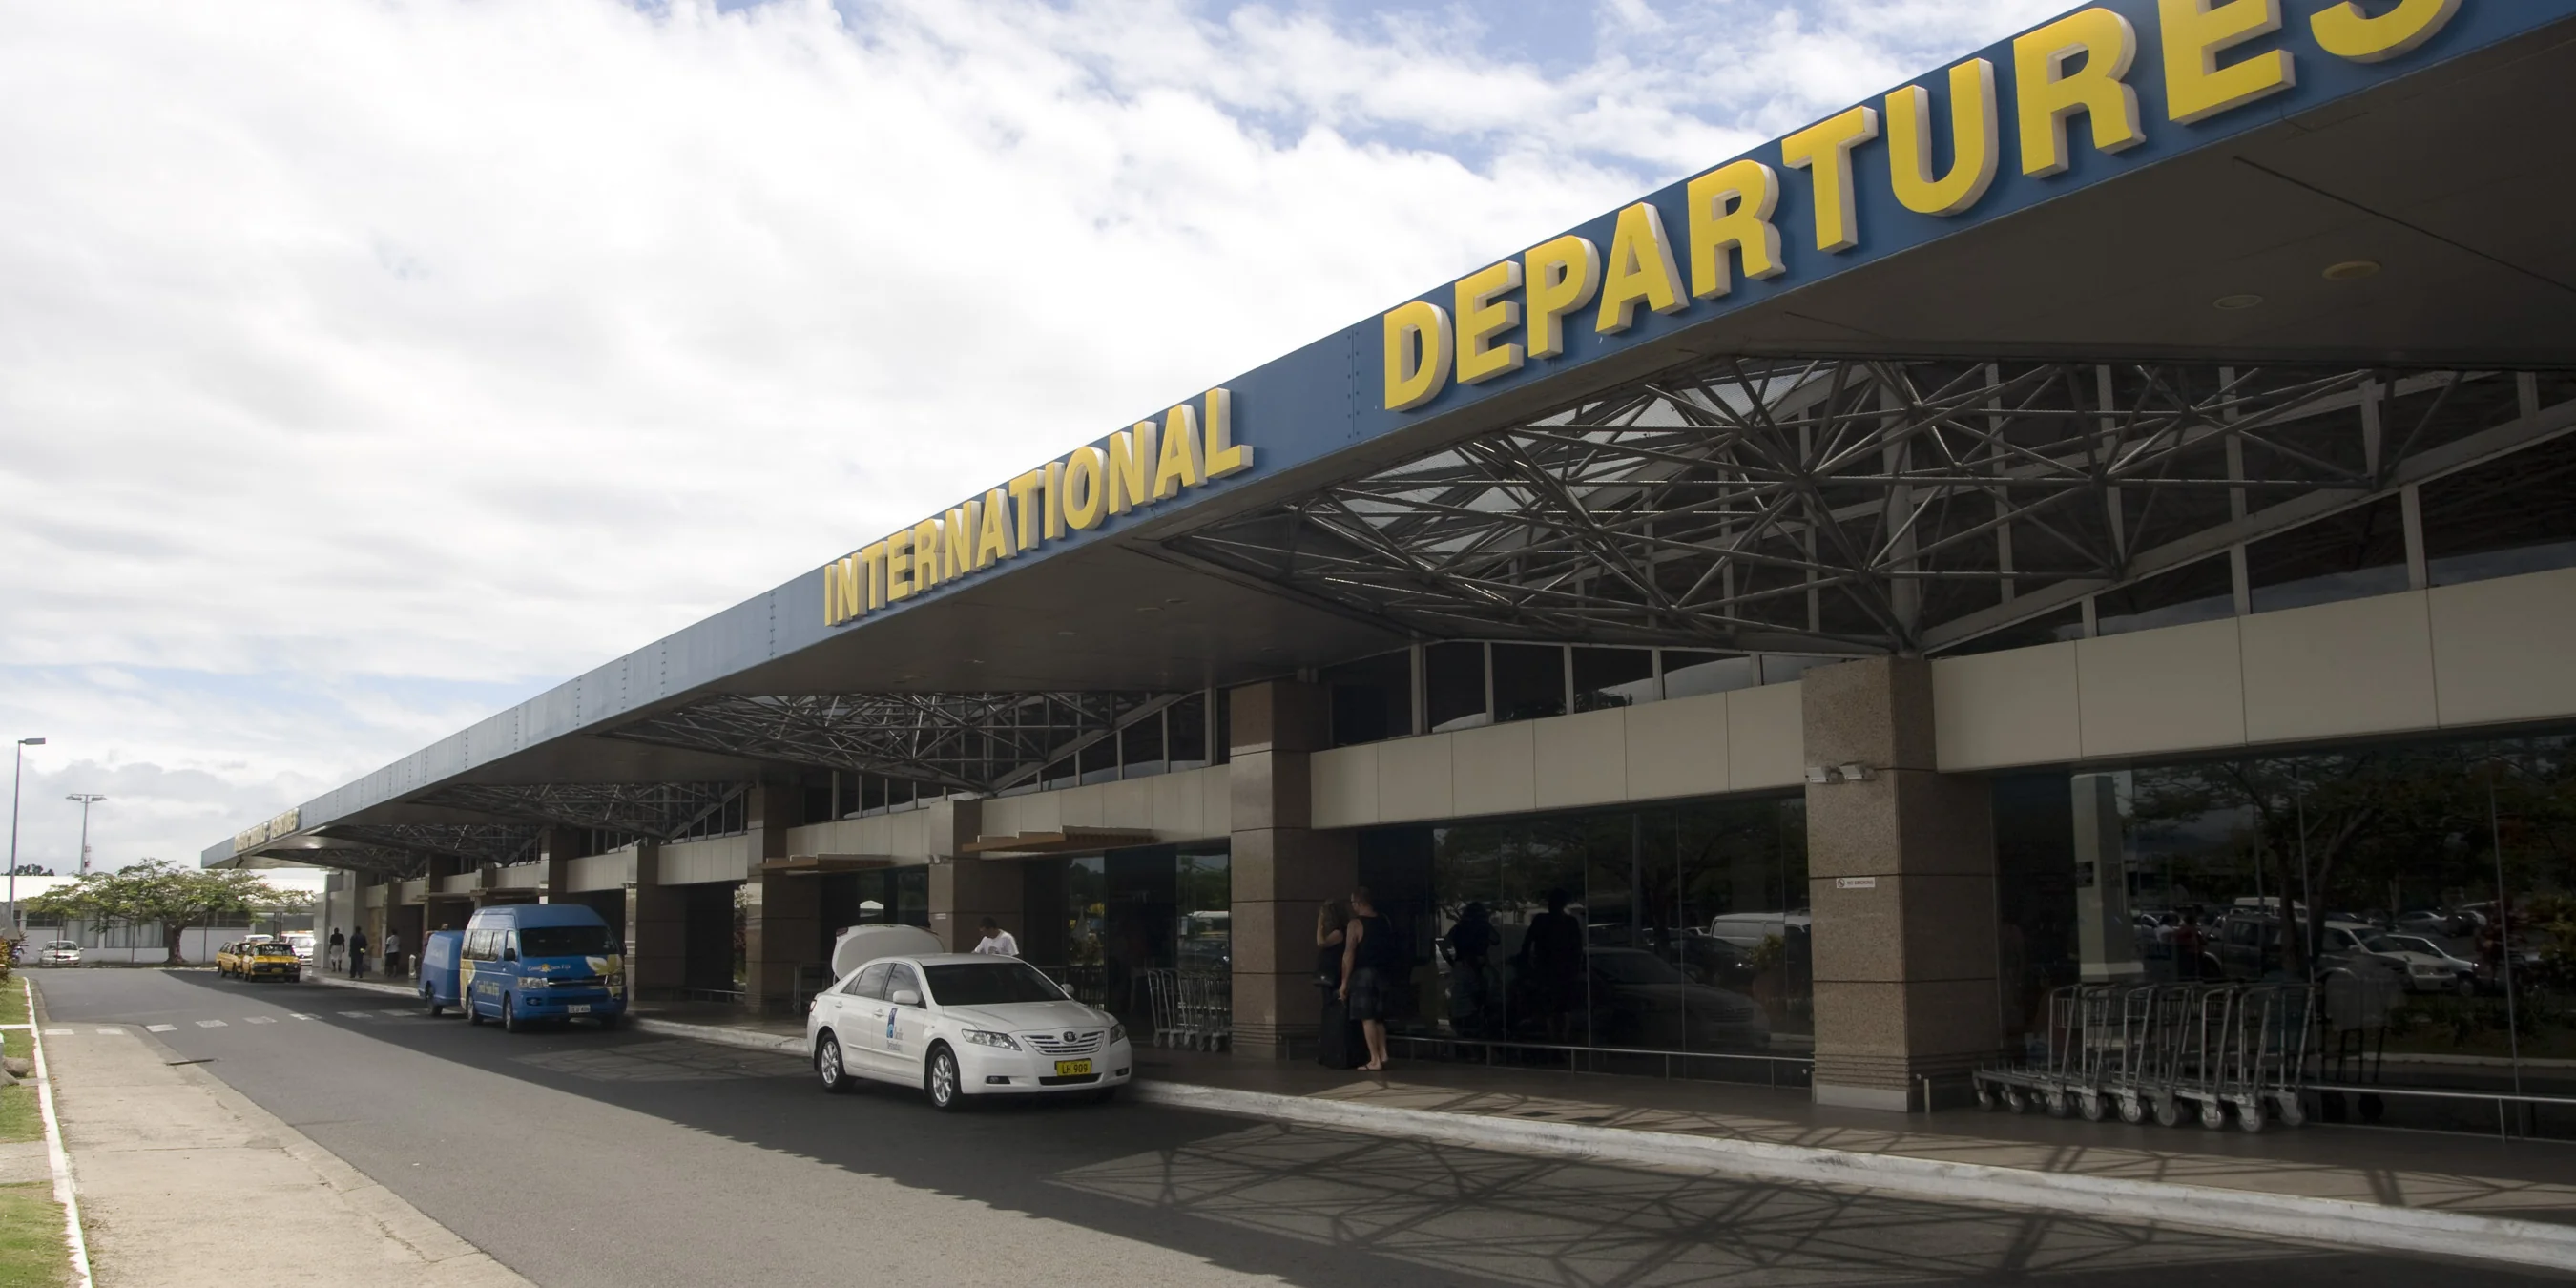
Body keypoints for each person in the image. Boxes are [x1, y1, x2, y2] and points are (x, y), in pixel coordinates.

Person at [1338, 887, 1397, 1072]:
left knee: (1367, 1017)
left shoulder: (1355, 924)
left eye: (1353, 902)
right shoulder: (1385, 920)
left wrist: (1344, 982)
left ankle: (1374, 1059)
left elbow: (1349, 954)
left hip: (1364, 974)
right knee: (1379, 1017)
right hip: (1384, 973)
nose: (1352, 906)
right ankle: (1384, 1052)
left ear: (1359, 902)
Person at [1516, 888, 1585, 1042]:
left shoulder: (1546, 921)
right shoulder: (1566, 922)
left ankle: (1557, 1041)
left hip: (1552, 972)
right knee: (1557, 1010)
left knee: (1554, 1009)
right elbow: (1577, 949)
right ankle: (1558, 1041)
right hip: (1557, 972)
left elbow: (1527, 944)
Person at [1441, 902, 1497, 1039]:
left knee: (1463, 1001)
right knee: (1484, 997)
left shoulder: (1458, 928)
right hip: (1480, 964)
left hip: (1462, 965)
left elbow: (1444, 947)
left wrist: (1452, 962)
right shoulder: (1483, 927)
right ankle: (1480, 1027)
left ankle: (1466, 1028)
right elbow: (1496, 940)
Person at [1314, 899, 1355, 1069]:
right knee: (1328, 1010)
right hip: (1330, 975)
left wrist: (1319, 923)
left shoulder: (1338, 933)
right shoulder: (1340, 931)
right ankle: (1327, 1049)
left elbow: (1321, 942)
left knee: (1332, 1008)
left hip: (1334, 976)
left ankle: (1333, 1050)